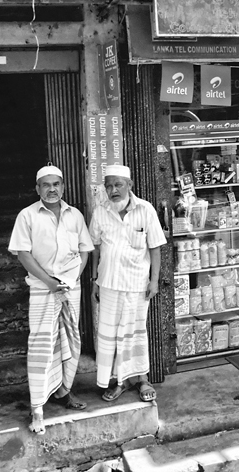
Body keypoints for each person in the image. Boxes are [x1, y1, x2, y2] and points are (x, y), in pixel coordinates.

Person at [8, 164, 95, 435]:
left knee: (71, 340)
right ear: (37, 189)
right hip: (42, 289)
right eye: (46, 185)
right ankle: (37, 410)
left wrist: (70, 280)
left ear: (63, 187)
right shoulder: (27, 216)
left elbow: (85, 251)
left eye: (56, 184)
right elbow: (23, 254)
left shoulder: (75, 216)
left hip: (70, 289)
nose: (52, 189)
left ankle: (64, 392)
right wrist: (50, 282)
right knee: (41, 347)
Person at [89, 165, 166, 403]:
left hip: (136, 284)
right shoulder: (100, 212)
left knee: (135, 333)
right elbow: (95, 248)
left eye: (118, 185)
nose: (113, 190)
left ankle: (142, 379)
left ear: (129, 185)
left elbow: (155, 247)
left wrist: (154, 281)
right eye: (109, 185)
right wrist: (94, 281)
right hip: (109, 283)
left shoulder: (145, 210)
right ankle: (119, 381)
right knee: (111, 334)